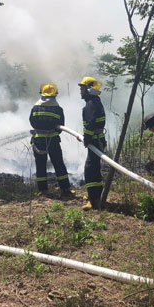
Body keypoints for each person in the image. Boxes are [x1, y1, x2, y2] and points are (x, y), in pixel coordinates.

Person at [29, 83, 73, 199]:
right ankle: (65, 189)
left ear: (42, 94)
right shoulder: (58, 109)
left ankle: (43, 190)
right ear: (54, 95)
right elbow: (61, 126)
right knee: (58, 164)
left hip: (39, 140)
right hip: (53, 140)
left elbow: (32, 122)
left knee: (40, 165)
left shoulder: (35, 107)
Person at [79, 76, 106, 210]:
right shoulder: (95, 101)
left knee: (90, 170)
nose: (80, 91)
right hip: (98, 140)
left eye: (82, 88)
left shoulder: (91, 104)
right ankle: (95, 196)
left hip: (95, 140)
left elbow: (91, 124)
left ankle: (93, 199)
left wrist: (87, 138)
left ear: (88, 89)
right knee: (94, 169)